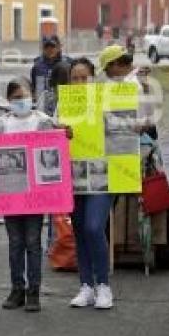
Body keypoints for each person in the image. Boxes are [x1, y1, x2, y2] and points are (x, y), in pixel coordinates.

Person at [0, 77, 54, 312]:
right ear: (9, 100)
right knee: (15, 242)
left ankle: (34, 291)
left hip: (35, 195)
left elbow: (52, 152)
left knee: (32, 242)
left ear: (33, 97)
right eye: (16, 98)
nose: (21, 101)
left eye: (25, 96)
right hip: (10, 193)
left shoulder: (43, 121)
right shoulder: (0, 124)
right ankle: (16, 288)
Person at [63, 57, 115, 310]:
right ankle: (86, 285)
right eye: (76, 78)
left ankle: (103, 285)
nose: (81, 82)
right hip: (73, 177)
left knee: (95, 227)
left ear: (94, 79)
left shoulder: (108, 102)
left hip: (103, 175)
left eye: (85, 78)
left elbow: (126, 129)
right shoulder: (62, 107)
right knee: (80, 230)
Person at [30, 35, 70, 104]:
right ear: (42, 48)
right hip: (42, 104)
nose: (49, 49)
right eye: (46, 47)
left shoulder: (68, 63)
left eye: (52, 46)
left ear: (59, 47)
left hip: (64, 102)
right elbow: (34, 88)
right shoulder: (37, 67)